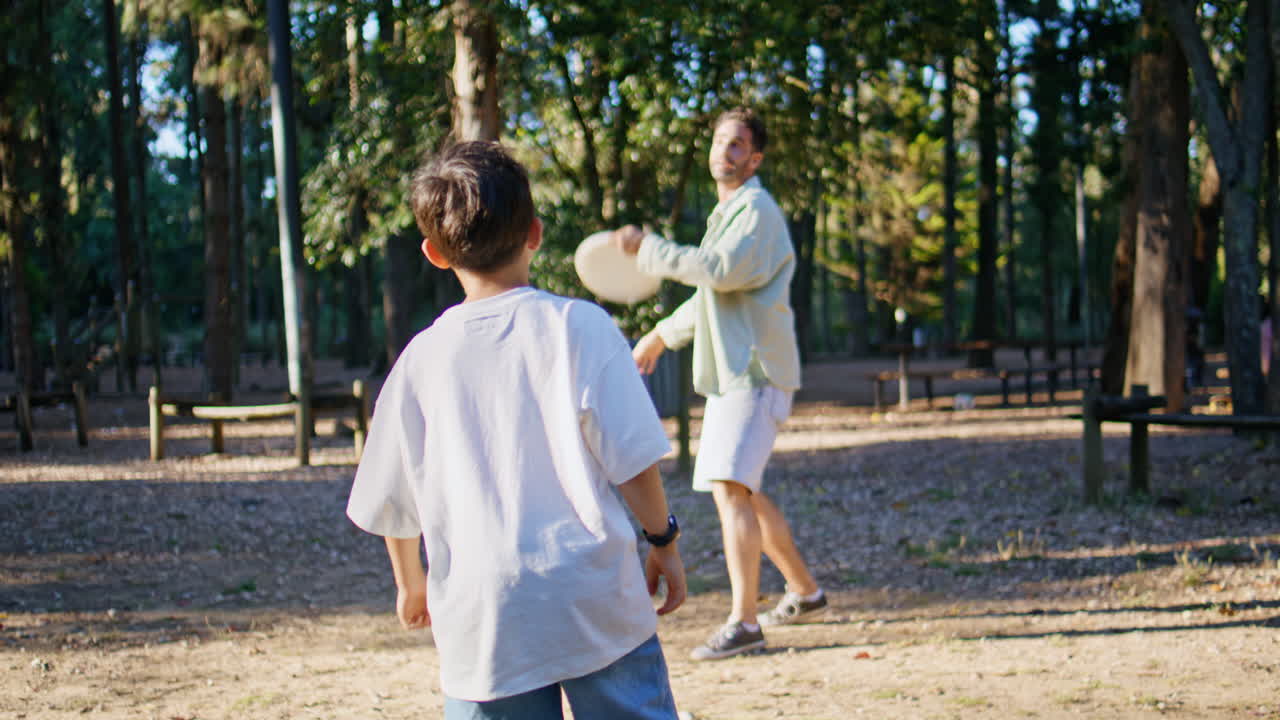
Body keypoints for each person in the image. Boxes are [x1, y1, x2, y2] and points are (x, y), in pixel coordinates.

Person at [347, 141, 687, 719]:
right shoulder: (579, 327)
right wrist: (663, 541)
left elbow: (392, 495)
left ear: (433, 253)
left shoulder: (420, 360)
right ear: (535, 232)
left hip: (485, 617)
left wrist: (411, 582)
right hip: (593, 596)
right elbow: (632, 460)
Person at [613, 107, 826, 661]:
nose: (723, 152)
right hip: (739, 376)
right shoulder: (729, 213)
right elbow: (713, 293)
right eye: (719, 142)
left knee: (732, 490)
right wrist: (661, 335)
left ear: (754, 159)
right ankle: (805, 591)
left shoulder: (757, 211)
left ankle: (745, 622)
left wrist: (650, 250)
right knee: (743, 491)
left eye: (736, 146)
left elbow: (719, 271)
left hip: (753, 373)